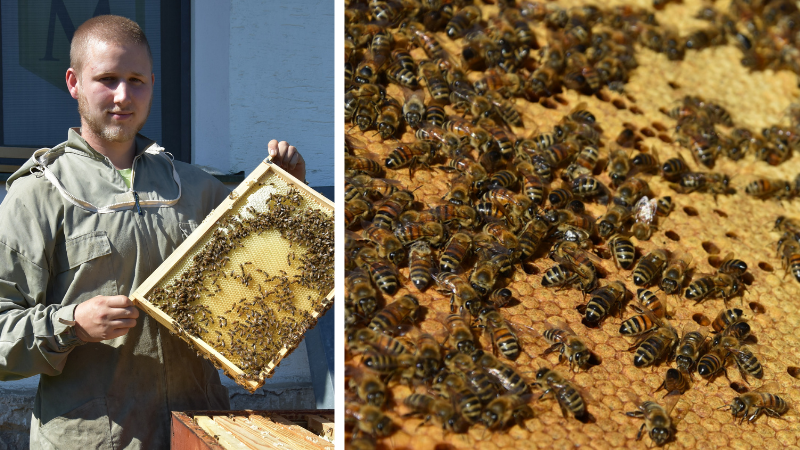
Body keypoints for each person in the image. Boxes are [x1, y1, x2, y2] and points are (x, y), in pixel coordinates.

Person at [0, 15, 305, 449]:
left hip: (199, 430)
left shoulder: (196, 187)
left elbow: (270, 280)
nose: (123, 96)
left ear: (153, 84)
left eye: (136, 80)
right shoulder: (38, 195)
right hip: (92, 439)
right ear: (73, 82)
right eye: (106, 79)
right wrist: (73, 324)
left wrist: (288, 195)